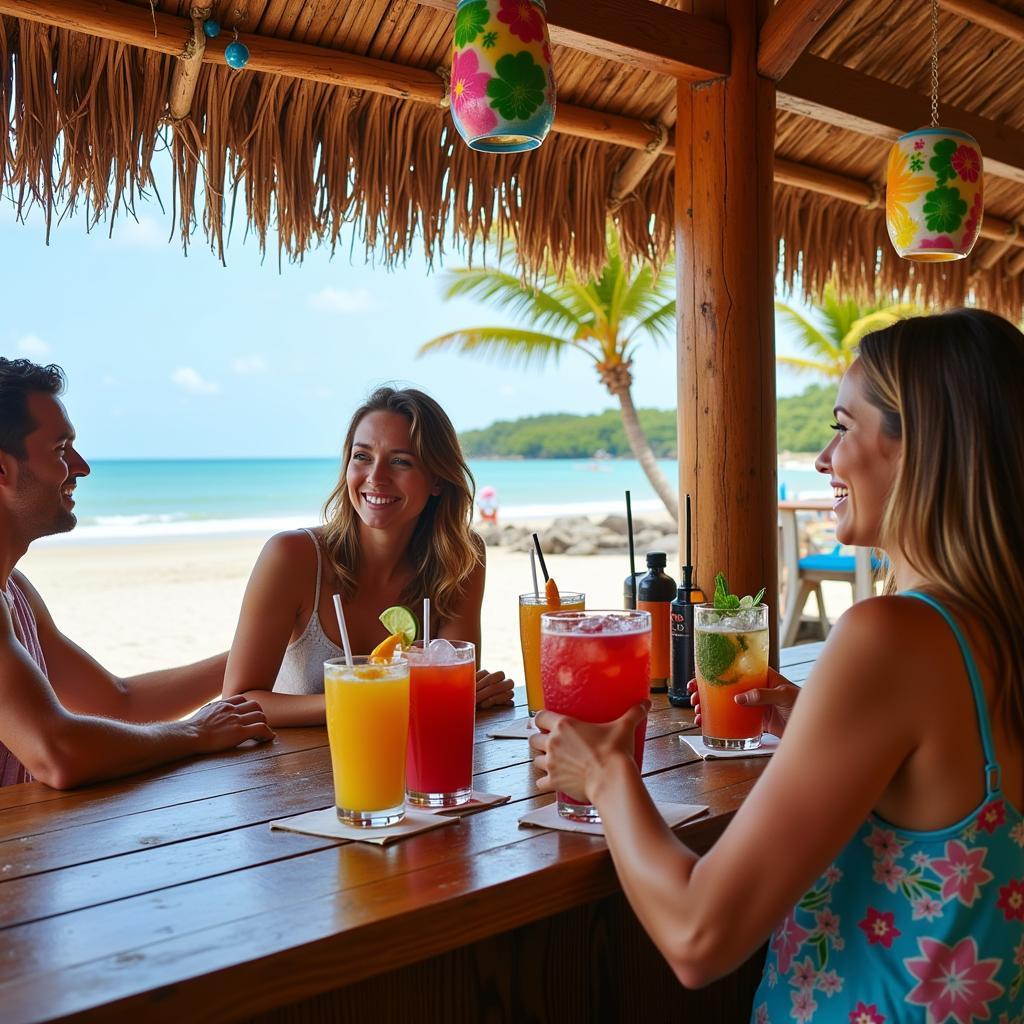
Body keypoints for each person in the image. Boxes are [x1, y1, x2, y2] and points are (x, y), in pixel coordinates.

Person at [530, 310, 1024, 1021]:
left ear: (922, 445)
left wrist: (605, 777)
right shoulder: (993, 634)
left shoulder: (891, 636)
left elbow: (698, 936)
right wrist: (818, 731)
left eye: (843, 427)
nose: (824, 459)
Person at [0, 358, 274, 790]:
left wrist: (265, 651)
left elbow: (118, 703)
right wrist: (195, 733)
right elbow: (59, 752)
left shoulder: (14, 590)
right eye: (60, 450)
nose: (82, 466)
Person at [224, 386, 514, 725]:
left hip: (410, 767)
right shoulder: (293, 556)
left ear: (437, 478)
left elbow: (448, 691)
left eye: (400, 461)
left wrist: (469, 692)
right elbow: (239, 701)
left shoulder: (459, 558)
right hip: (289, 772)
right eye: (362, 457)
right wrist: (370, 696)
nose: (376, 478)